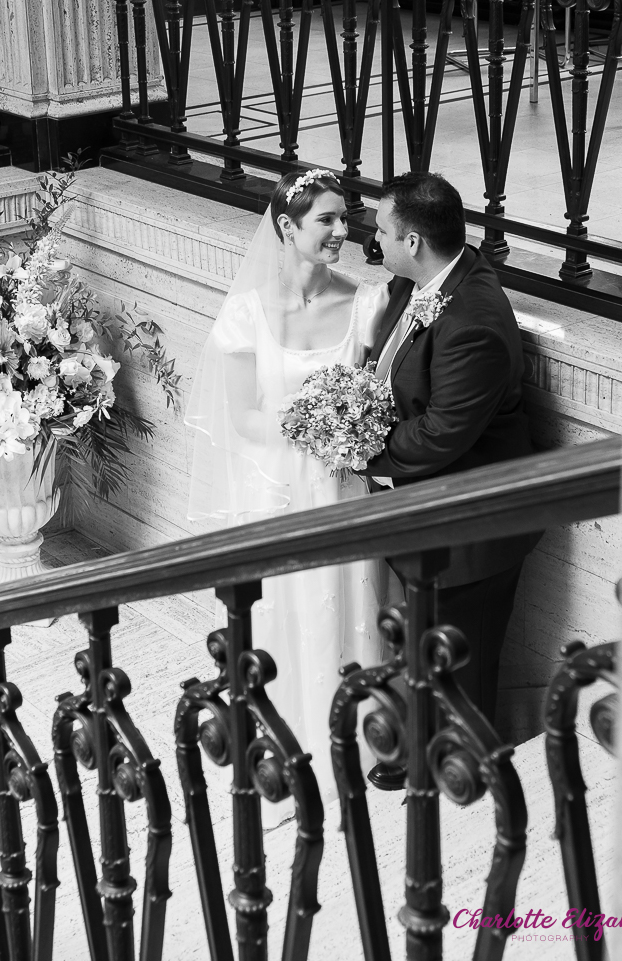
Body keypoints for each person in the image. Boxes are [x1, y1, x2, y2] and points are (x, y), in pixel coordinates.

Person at [185, 169, 392, 816]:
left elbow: (375, 396)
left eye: (345, 218)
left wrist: (346, 420)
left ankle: (355, 747)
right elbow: (242, 415)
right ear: (286, 227)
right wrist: (309, 419)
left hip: (339, 484)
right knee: (283, 611)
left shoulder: (367, 304)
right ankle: (284, 747)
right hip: (274, 488)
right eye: (326, 220)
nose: (342, 231)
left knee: (345, 604)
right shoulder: (247, 313)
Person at [365, 170, 539, 753]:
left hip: (472, 531)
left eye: (382, 231)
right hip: (424, 517)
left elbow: (444, 432)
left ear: (413, 241)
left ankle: (465, 778)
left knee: (464, 668)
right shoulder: (410, 286)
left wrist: (362, 449)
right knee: (420, 648)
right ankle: (419, 748)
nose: (375, 242)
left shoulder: (474, 320)